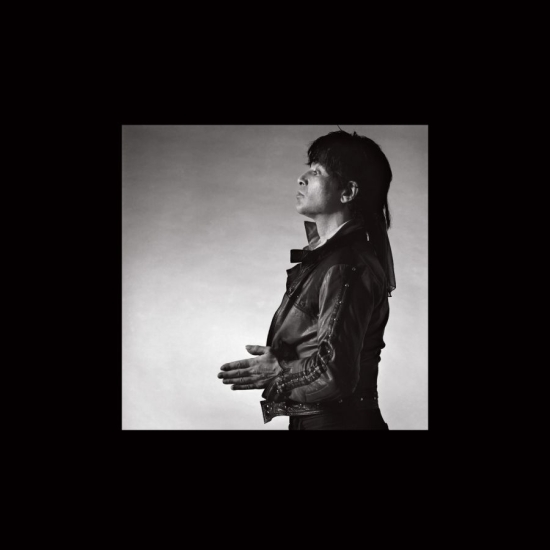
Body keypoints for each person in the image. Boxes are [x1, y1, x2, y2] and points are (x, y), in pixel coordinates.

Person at [217, 129, 396, 430]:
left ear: (348, 192)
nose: (302, 178)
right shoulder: (332, 258)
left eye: (317, 172)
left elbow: (333, 375)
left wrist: (278, 371)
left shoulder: (345, 265)